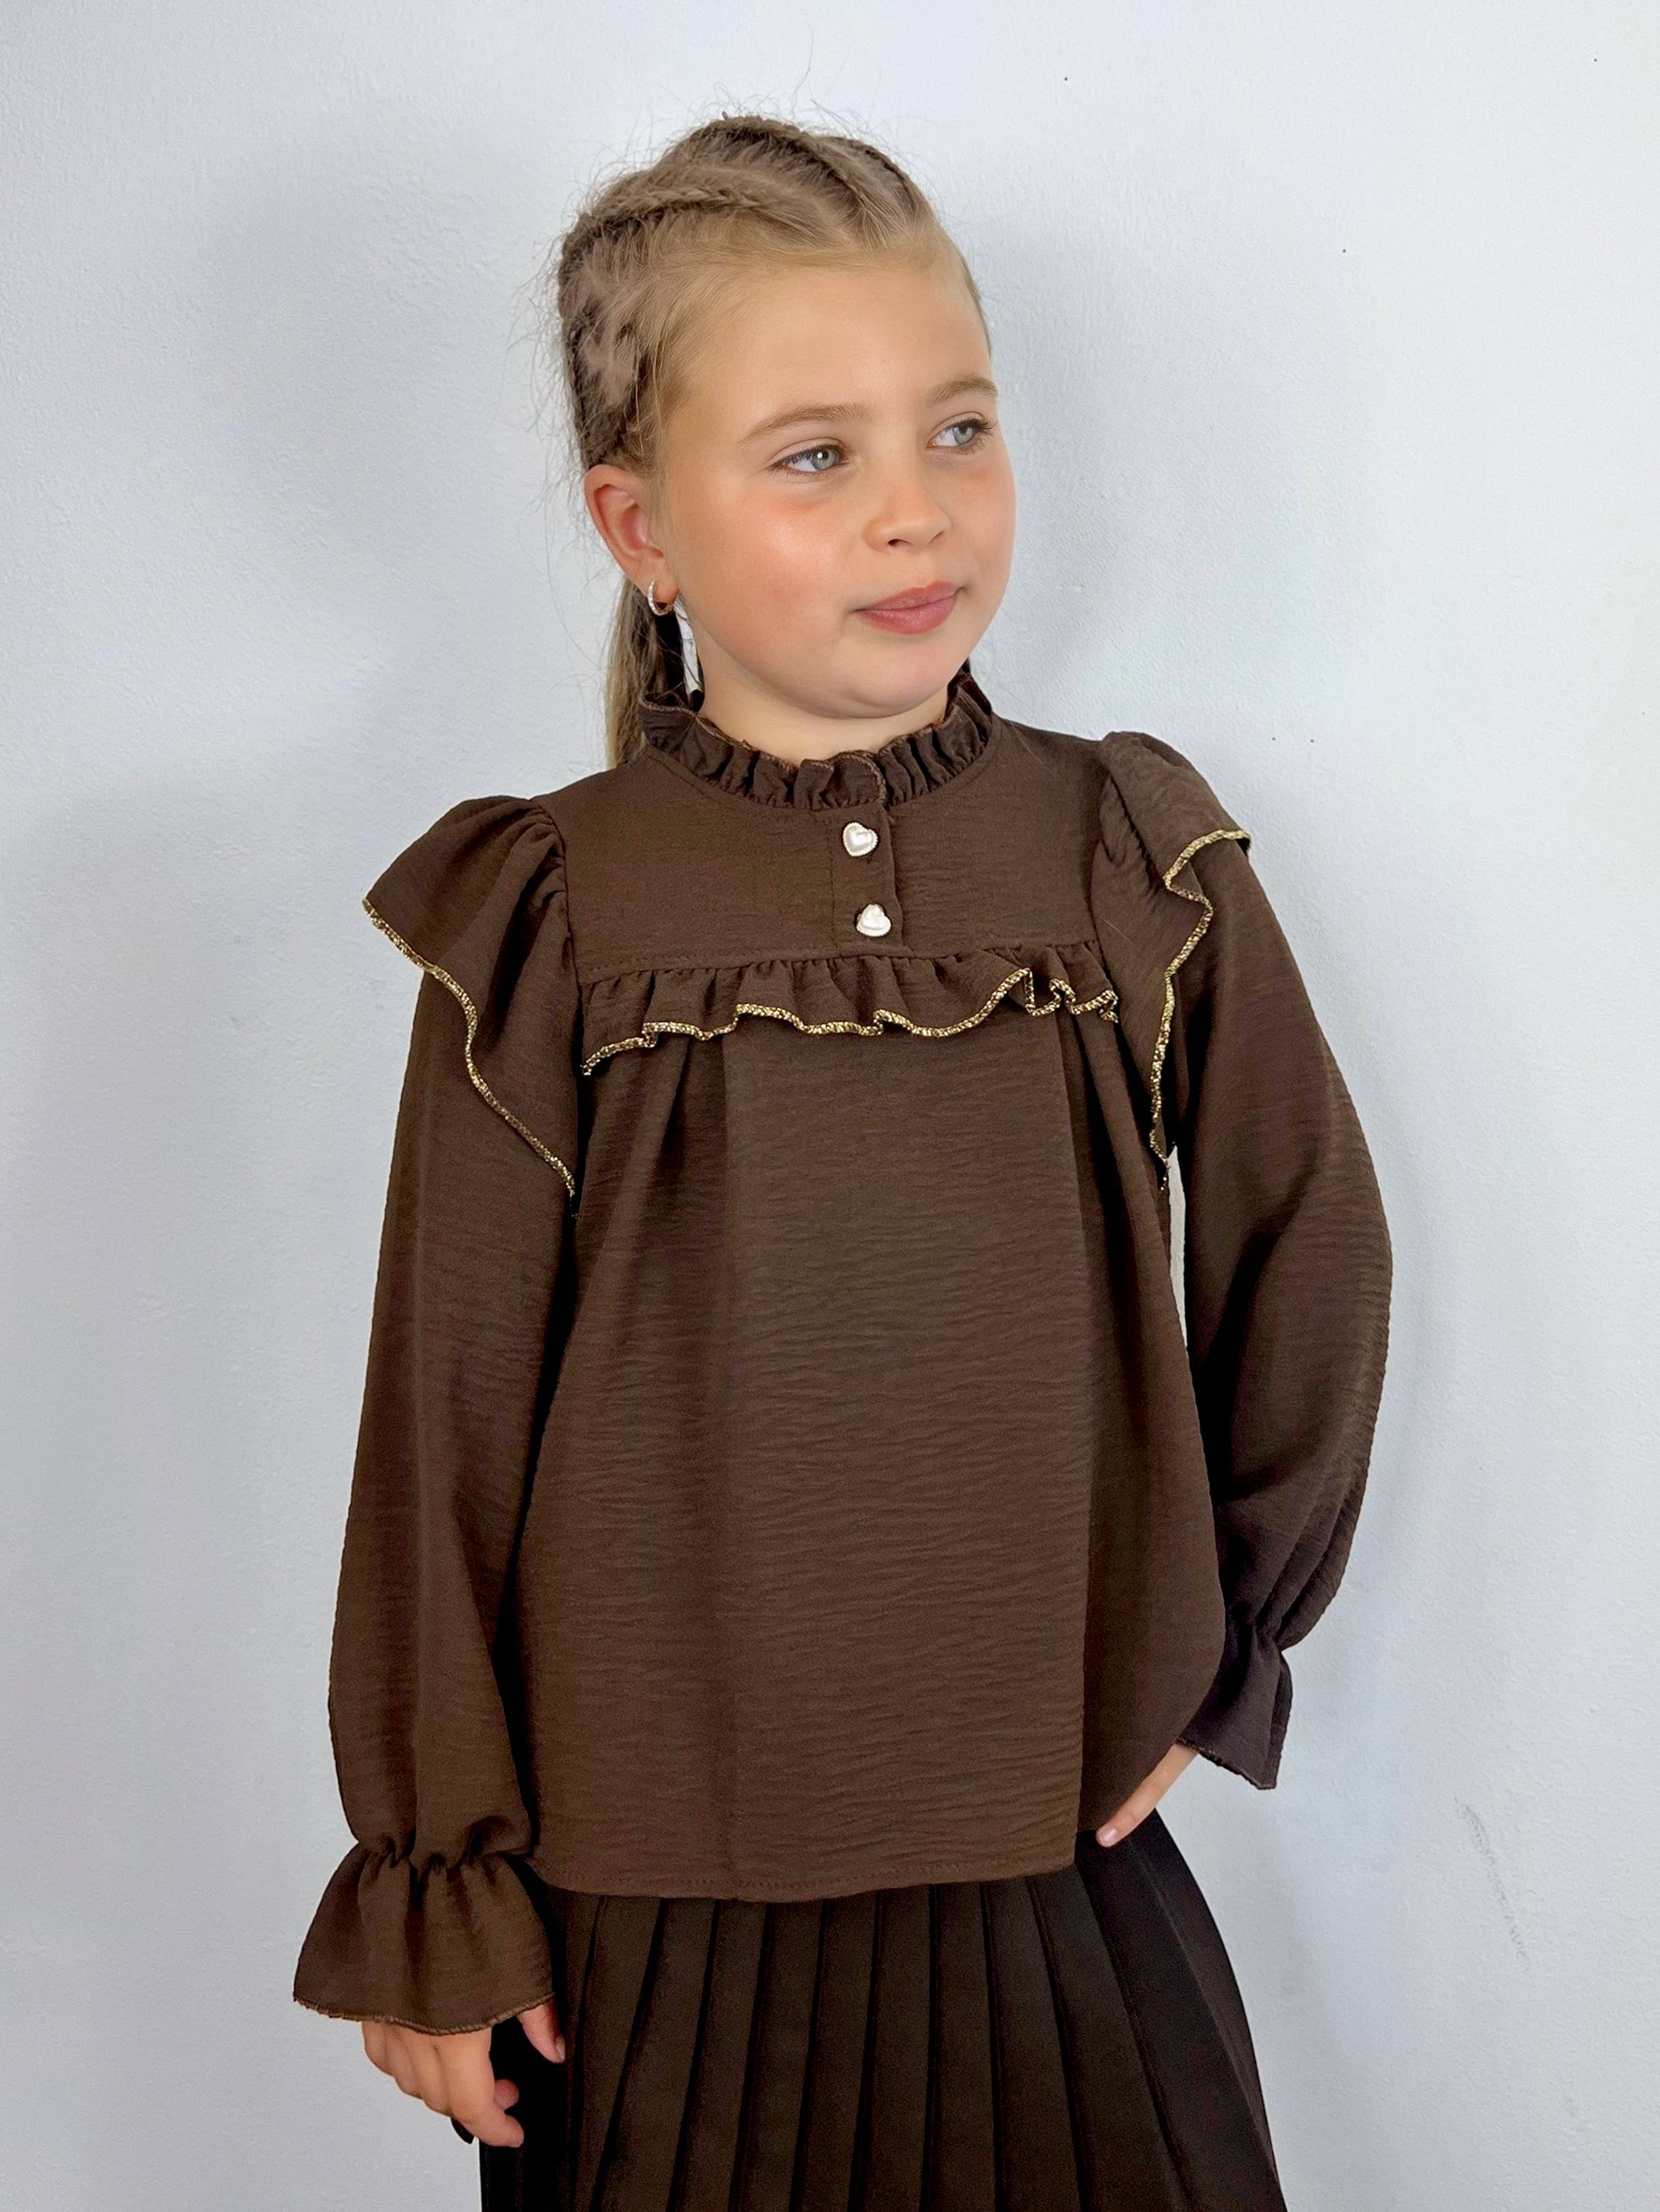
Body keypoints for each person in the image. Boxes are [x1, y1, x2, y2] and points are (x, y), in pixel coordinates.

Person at [292, 110, 1392, 2212]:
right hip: (642, 1923)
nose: (917, 507)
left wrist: (1225, 1645)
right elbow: (443, 1420)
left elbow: (1308, 1240)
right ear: (642, 528)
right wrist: (441, 1880)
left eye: (958, 426)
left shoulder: (1124, 849)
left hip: (1058, 1865)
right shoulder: (551, 910)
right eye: (816, 456)